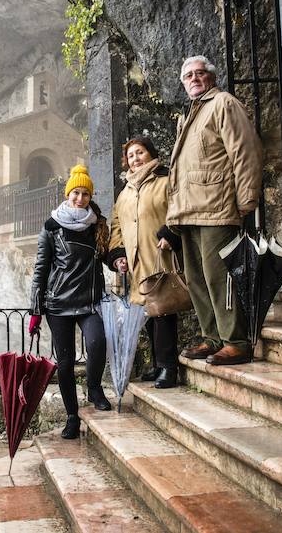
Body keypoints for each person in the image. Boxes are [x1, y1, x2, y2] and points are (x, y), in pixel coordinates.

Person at [167, 55, 263, 366]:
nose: (194, 78)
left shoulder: (223, 103)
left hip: (217, 207)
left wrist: (247, 200)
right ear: (183, 83)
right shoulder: (189, 115)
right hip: (189, 211)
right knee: (196, 279)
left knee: (219, 277)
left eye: (199, 73)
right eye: (188, 75)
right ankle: (212, 337)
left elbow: (245, 151)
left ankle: (235, 341)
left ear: (211, 76)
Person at [29, 164, 112, 440]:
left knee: (97, 341)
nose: (80, 198)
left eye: (85, 194)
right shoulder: (51, 226)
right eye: (75, 193)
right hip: (59, 303)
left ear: (90, 196)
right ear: (68, 195)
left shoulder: (97, 225)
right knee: (64, 363)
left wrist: (119, 260)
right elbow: (41, 268)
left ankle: (95, 388)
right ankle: (72, 416)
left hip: (88, 301)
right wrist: (35, 310)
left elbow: (107, 255)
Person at [107, 136, 181, 389]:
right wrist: (118, 254)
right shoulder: (125, 191)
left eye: (140, 153)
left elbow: (180, 209)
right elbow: (116, 224)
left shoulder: (165, 180)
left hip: (160, 255)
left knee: (163, 311)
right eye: (131, 155)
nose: (135, 159)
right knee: (147, 312)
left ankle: (169, 367)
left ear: (150, 154)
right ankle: (158, 365)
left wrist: (172, 233)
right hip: (136, 260)